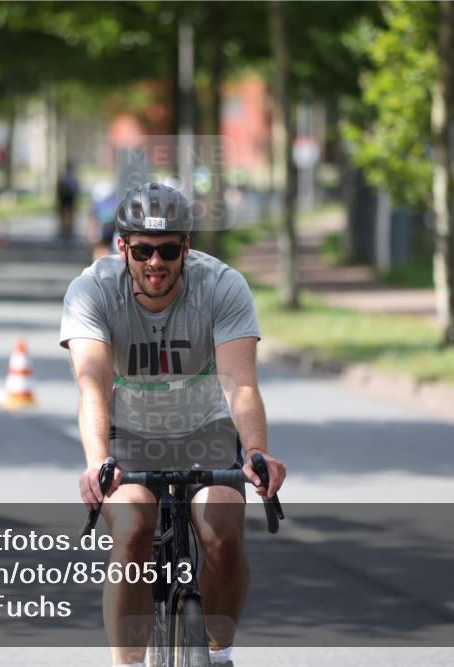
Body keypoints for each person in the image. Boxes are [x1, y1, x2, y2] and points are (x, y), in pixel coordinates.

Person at [60, 182, 287, 667]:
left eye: (167, 250)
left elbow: (241, 385)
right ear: (122, 246)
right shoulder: (92, 291)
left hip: (206, 429)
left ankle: (219, 654)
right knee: (132, 528)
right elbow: (93, 386)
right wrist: (97, 462)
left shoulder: (221, 286)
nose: (155, 263)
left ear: (186, 246)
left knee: (223, 532)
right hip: (128, 435)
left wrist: (255, 451)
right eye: (142, 250)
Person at [86, 181, 120, 261]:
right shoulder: (115, 201)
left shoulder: (98, 204)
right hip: (109, 229)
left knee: (100, 249)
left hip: (107, 230)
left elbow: (91, 219)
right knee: (101, 249)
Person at [56, 160, 79, 240]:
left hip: (66, 197)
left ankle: (66, 228)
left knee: (66, 213)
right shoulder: (71, 176)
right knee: (68, 213)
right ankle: (67, 228)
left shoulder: (65, 176)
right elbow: (75, 187)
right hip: (68, 197)